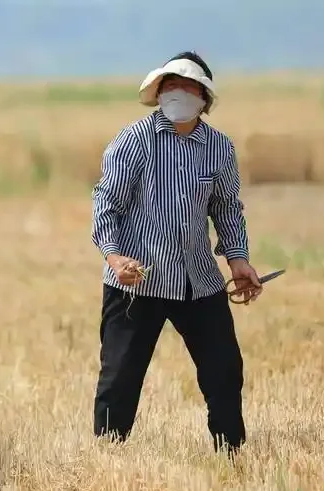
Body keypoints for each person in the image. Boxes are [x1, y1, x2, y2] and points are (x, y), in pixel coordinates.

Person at [90, 51, 262, 458]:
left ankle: (231, 455)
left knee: (224, 371)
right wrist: (114, 257)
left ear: (203, 97)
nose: (178, 93)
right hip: (137, 281)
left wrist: (238, 260)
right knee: (120, 378)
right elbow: (106, 203)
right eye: (170, 85)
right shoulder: (135, 140)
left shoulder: (219, 148)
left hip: (198, 280)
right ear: (157, 92)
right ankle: (107, 459)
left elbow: (226, 208)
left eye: (187, 86)